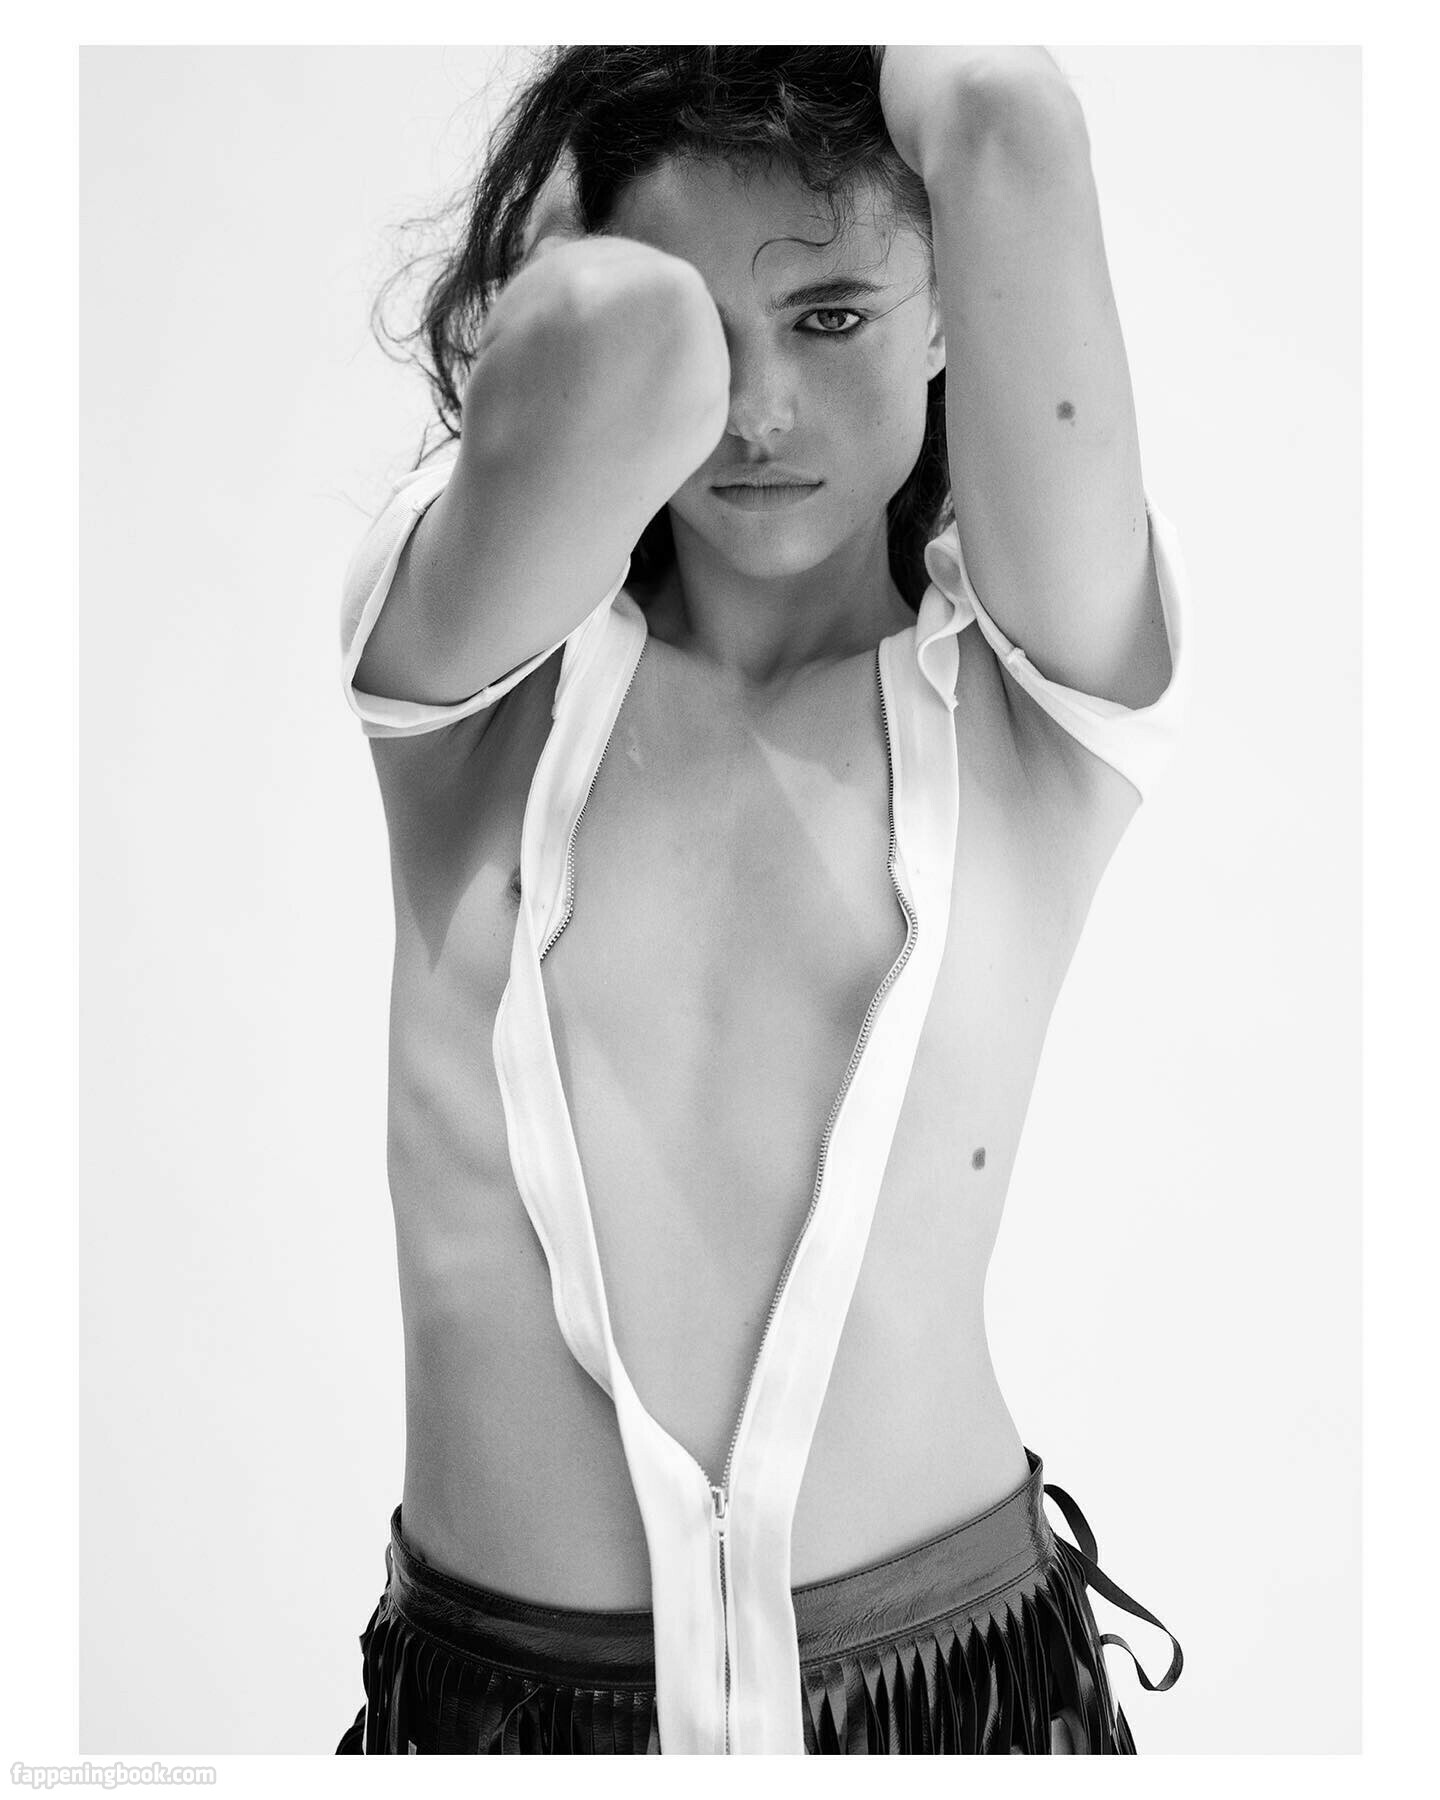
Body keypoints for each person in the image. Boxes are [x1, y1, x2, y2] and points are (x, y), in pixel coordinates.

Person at [335, 44, 1187, 1755]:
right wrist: (600, 184)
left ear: (947, 314)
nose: (760, 410)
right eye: (710, 332)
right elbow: (608, 342)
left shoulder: (1037, 705)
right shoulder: (469, 674)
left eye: (832, 315)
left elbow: (1005, 115)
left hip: (951, 1693)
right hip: (499, 1716)